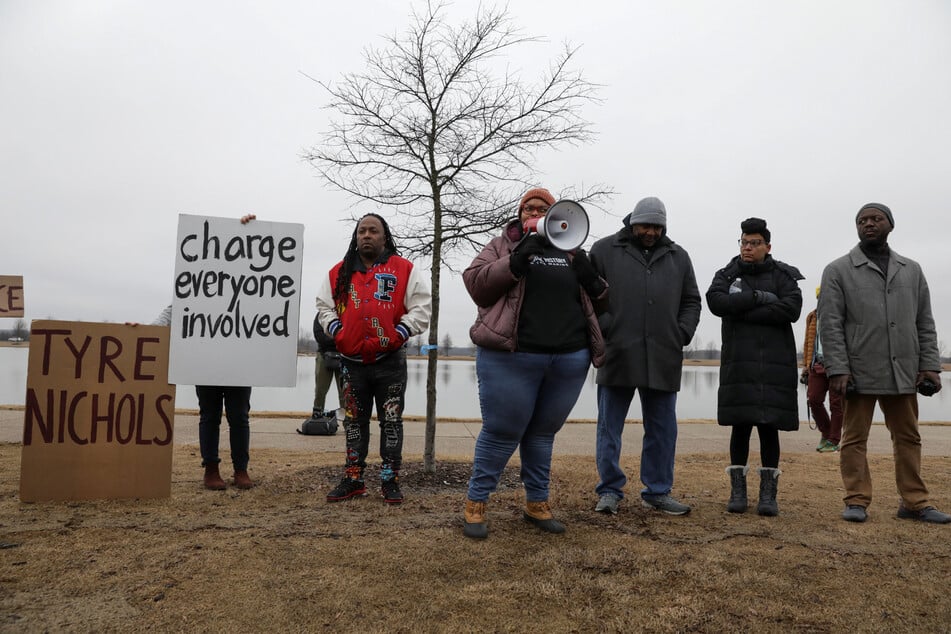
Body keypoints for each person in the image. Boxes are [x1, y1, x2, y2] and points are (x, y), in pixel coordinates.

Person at [461, 187, 608, 539]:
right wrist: (515, 261)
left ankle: (537, 503)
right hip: (511, 356)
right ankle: (476, 503)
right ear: (520, 213)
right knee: (501, 432)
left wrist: (590, 275)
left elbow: (602, 303)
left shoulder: (572, 251)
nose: (536, 212)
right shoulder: (501, 245)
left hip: (569, 358)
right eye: (530, 208)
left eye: (544, 208)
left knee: (542, 434)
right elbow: (477, 285)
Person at [819, 202, 948, 524]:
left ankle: (915, 502)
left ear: (890, 224)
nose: (869, 224)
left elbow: (924, 322)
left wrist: (930, 365)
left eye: (876, 219)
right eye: (862, 220)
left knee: (908, 437)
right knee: (853, 438)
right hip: (858, 372)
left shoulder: (912, 270)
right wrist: (838, 368)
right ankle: (856, 500)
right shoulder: (838, 270)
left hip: (903, 371)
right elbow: (830, 324)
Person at [588, 196, 701, 516]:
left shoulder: (679, 256)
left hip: (664, 355)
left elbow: (692, 300)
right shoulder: (604, 250)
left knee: (663, 429)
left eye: (657, 226)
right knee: (609, 428)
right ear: (632, 223)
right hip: (618, 353)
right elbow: (588, 298)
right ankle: (609, 489)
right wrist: (607, 328)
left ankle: (658, 491)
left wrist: (681, 333)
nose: (651, 231)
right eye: (645, 225)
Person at [316, 213, 431, 505]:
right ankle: (353, 478)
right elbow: (324, 307)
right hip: (351, 362)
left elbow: (421, 307)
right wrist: (338, 332)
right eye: (361, 231)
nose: (366, 235)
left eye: (373, 231)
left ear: (385, 236)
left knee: (391, 421)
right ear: (356, 237)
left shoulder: (404, 269)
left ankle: (389, 480)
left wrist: (400, 331)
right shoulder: (338, 273)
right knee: (354, 421)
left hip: (390, 360)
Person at [151, 213, 257, 491]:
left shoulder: (250, 281)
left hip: (238, 360)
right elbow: (175, 310)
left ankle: (240, 469)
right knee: (209, 415)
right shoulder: (198, 279)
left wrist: (251, 229)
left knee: (239, 416)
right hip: (205, 360)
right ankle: (211, 469)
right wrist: (147, 332)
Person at [706, 217, 803, 516]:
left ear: (767, 246)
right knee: (741, 425)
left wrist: (742, 310)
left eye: (754, 243)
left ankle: (768, 496)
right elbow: (716, 302)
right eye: (744, 242)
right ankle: (738, 492)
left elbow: (792, 309)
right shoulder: (727, 273)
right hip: (739, 364)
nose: (748, 248)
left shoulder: (784, 275)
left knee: (768, 428)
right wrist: (759, 298)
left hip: (774, 366)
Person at [800, 286, 843, 452]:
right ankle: (826, 433)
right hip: (816, 365)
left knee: (836, 405)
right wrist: (805, 365)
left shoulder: (842, 316)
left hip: (837, 367)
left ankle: (834, 440)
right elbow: (807, 342)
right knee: (814, 399)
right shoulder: (812, 316)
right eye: (820, 298)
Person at [302, 316, 344, 425]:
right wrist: (339, 338)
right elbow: (319, 336)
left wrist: (336, 338)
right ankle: (317, 417)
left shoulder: (345, 312)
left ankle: (349, 422)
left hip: (344, 357)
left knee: (345, 391)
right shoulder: (320, 315)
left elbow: (352, 333)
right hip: (323, 355)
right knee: (320, 390)